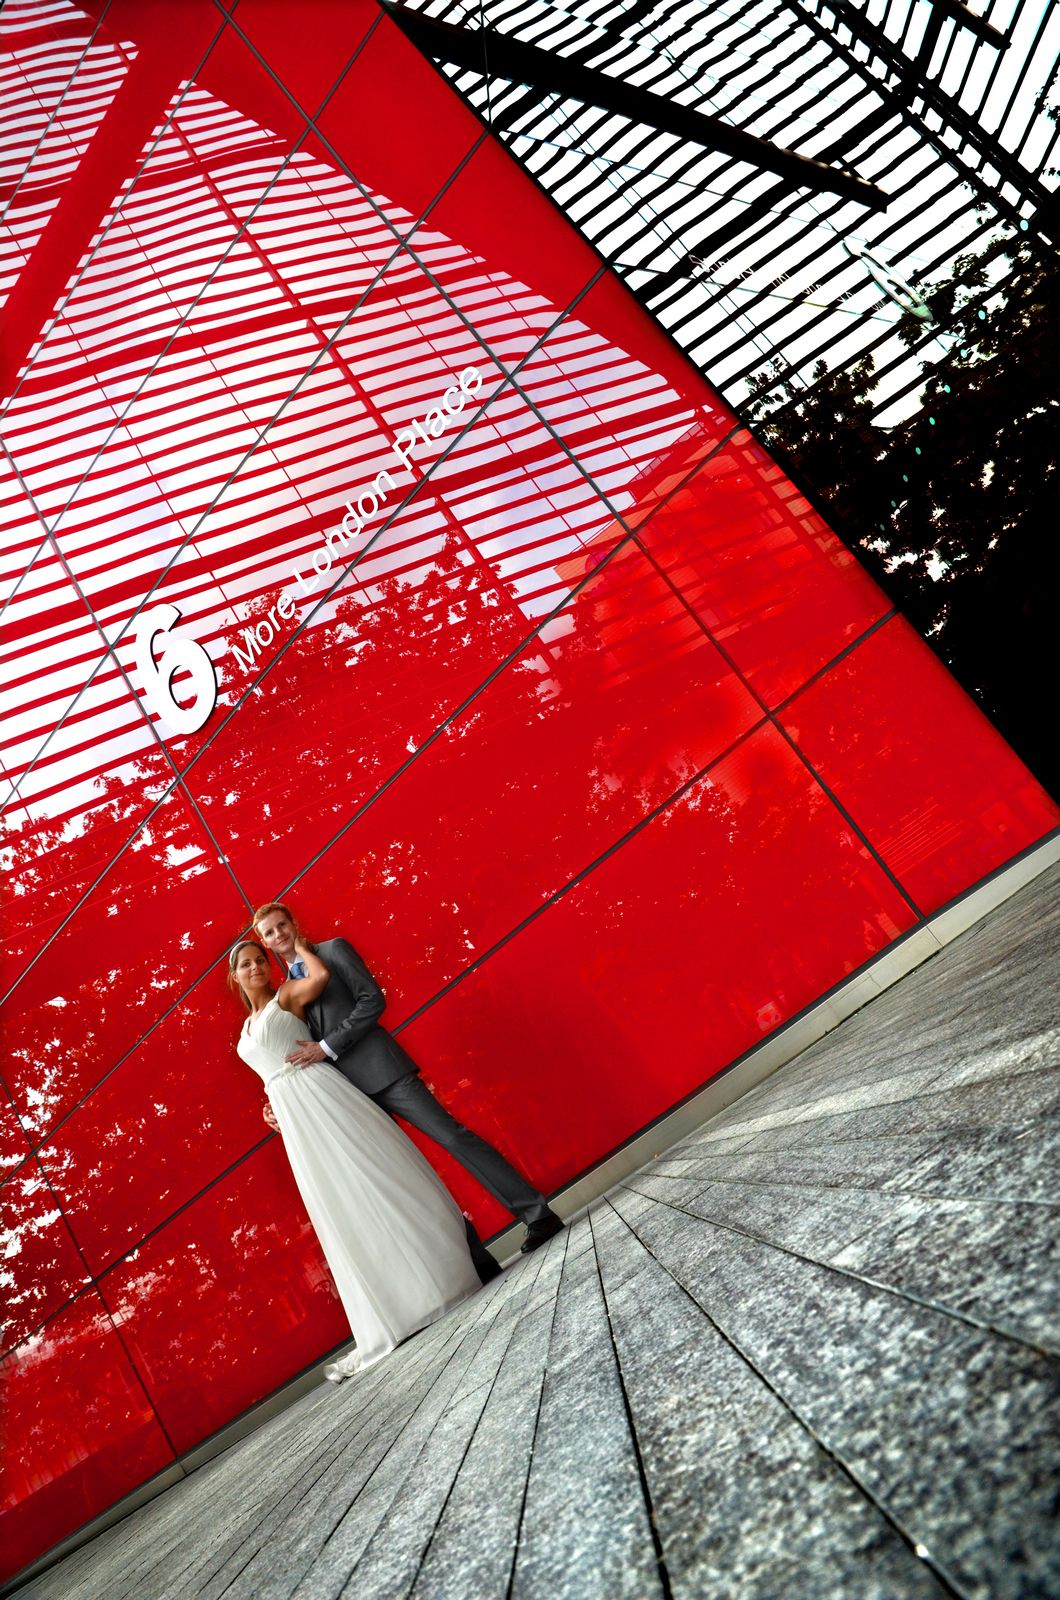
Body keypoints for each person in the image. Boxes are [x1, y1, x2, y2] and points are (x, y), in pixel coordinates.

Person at [252, 902, 563, 1274]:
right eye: (269, 932)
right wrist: (275, 1104)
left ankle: (537, 1214)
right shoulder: (286, 990)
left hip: (385, 1072)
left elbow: (372, 1000)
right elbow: (288, 1049)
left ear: (293, 923)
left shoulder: (333, 950)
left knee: (452, 1137)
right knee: (406, 1176)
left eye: (281, 925)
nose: (278, 935)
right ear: (264, 941)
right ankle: (475, 1260)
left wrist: (328, 1046)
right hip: (348, 1098)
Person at [230, 935, 481, 1383]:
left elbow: (322, 976)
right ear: (234, 977)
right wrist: (269, 1104)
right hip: (293, 1115)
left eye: (258, 961)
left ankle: (436, 1279)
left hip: (321, 1093)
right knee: (338, 1203)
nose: (254, 968)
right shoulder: (245, 1031)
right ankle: (386, 1307)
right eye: (245, 965)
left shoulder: (288, 994)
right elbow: (267, 1066)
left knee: (373, 1176)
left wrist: (296, 942)